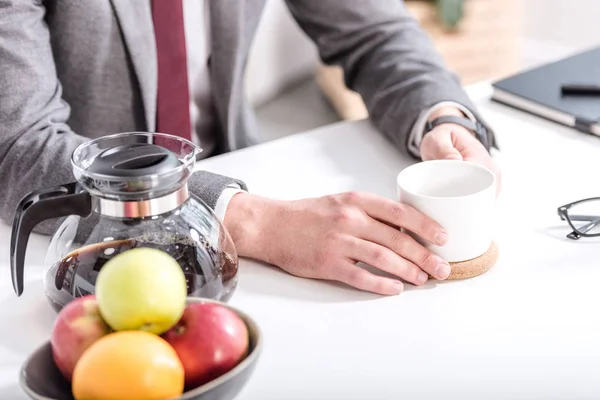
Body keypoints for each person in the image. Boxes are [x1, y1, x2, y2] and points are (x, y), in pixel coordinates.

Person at [0, 0, 500, 296]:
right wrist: (254, 221)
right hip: (78, 250)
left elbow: (375, 29)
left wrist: (440, 115)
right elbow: (21, 145)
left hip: (238, 171)